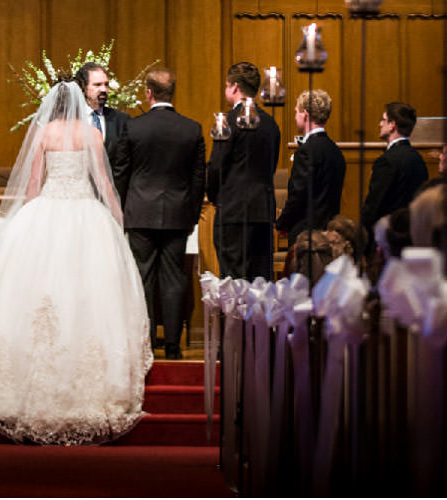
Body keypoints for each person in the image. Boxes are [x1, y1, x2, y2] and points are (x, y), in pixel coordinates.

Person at [0, 80, 151, 443]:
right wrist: (117, 217)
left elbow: (33, 183)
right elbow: (104, 181)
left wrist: (27, 220)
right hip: (86, 213)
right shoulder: (92, 134)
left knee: (36, 290)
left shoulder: (43, 132)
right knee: (86, 292)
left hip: (48, 208)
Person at [112, 66, 206, 360]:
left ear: (148, 93)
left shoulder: (133, 127)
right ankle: (175, 345)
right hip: (178, 214)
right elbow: (198, 178)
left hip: (139, 212)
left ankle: (148, 341)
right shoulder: (192, 129)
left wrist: (122, 209)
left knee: (143, 276)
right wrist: (191, 216)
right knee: (174, 278)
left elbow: (121, 173)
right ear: (172, 93)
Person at [206, 62, 281, 281]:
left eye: (227, 85)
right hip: (263, 211)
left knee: (234, 281)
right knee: (260, 281)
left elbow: (217, 166)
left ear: (235, 86)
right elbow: (271, 166)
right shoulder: (270, 124)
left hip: (234, 211)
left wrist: (213, 196)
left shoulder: (228, 121)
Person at [275, 88, 346, 244]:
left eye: (296, 112)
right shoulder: (335, 150)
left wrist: (281, 223)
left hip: (306, 234)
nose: (294, 117)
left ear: (305, 114)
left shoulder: (307, 150)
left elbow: (298, 195)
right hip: (329, 232)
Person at [360, 102, 428, 231]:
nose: (380, 124)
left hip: (388, 234)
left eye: (383, 120)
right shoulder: (418, 159)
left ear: (392, 125)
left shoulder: (386, 161)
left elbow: (374, 205)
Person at [76, 60, 129, 164]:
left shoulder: (121, 120)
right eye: (97, 85)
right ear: (83, 87)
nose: (104, 89)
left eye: (106, 85)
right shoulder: (72, 119)